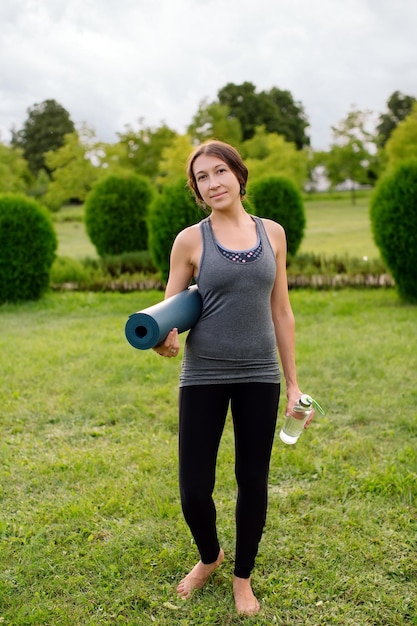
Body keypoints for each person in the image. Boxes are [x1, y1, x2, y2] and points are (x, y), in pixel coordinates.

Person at [154, 140, 313, 616]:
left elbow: (281, 310)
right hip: (202, 374)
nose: (212, 183)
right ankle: (210, 557)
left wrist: (293, 384)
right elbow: (169, 312)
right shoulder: (190, 240)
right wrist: (164, 339)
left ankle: (242, 577)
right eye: (202, 178)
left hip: (259, 374)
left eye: (219, 171)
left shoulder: (273, 234)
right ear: (197, 189)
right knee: (194, 488)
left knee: (253, 479)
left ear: (239, 175)